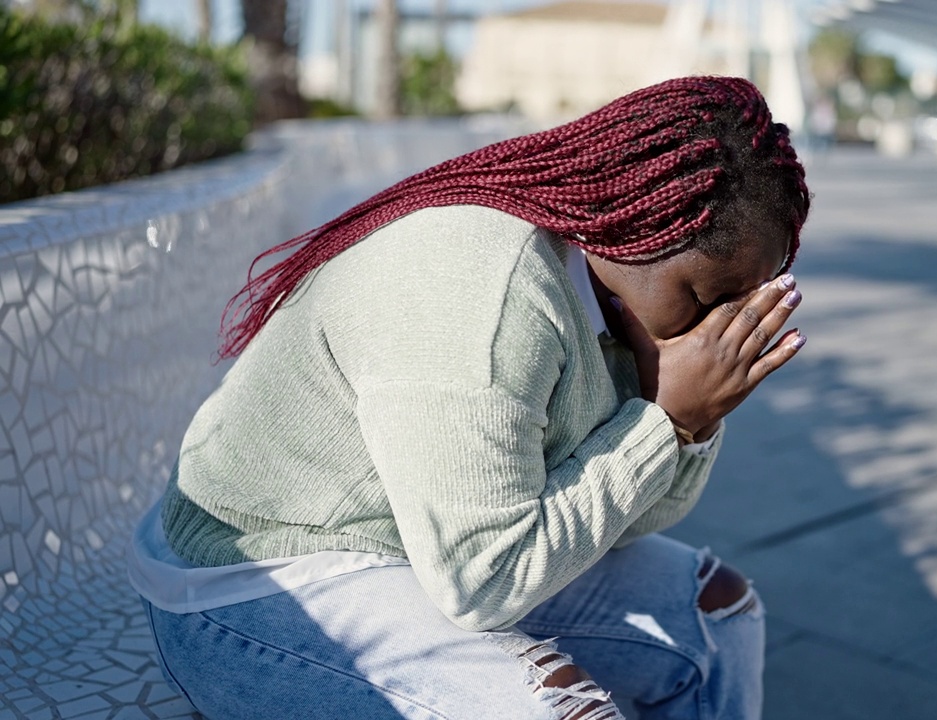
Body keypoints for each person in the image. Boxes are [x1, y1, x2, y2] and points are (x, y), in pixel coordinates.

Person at [128, 75, 811, 720]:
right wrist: (662, 424)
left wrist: (687, 421)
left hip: (434, 552)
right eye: (703, 295)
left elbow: (628, 522)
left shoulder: (617, 296)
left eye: (741, 302)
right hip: (257, 581)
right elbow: (483, 580)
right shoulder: (482, 290)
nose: (715, 327)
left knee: (716, 616)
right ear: (636, 225)